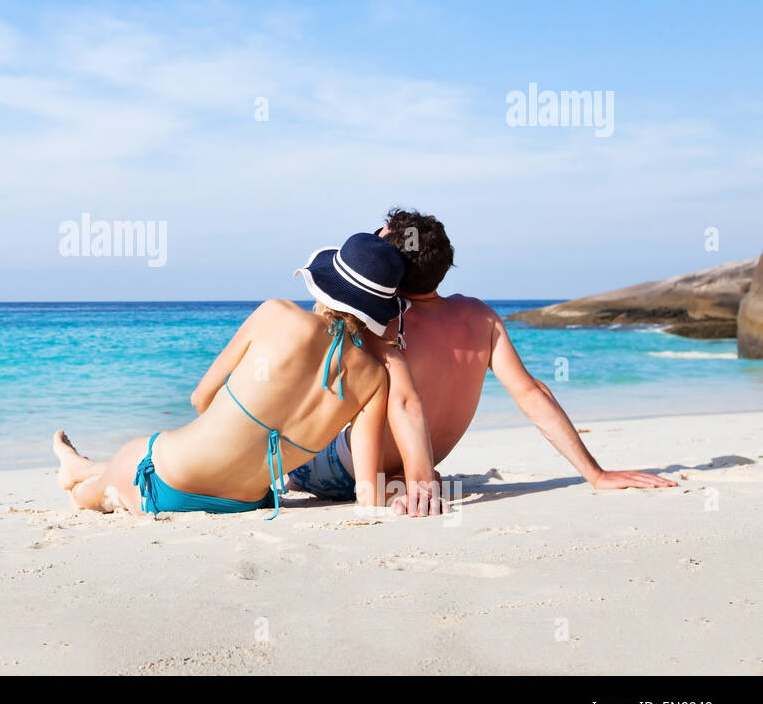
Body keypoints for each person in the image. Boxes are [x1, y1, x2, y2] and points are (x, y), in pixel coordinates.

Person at [288, 209, 677, 502]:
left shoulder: (385, 325)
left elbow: (323, 361)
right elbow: (531, 394)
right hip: (415, 469)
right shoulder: (481, 317)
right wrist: (595, 474)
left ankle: (290, 478)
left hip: (347, 468)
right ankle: (407, 485)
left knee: (295, 456)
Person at [53, 233, 447, 518]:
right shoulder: (375, 380)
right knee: (114, 471)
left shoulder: (275, 313)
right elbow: (366, 492)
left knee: (102, 484)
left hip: (167, 480)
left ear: (324, 281)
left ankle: (80, 477)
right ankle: (79, 466)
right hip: (244, 501)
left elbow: (200, 398)